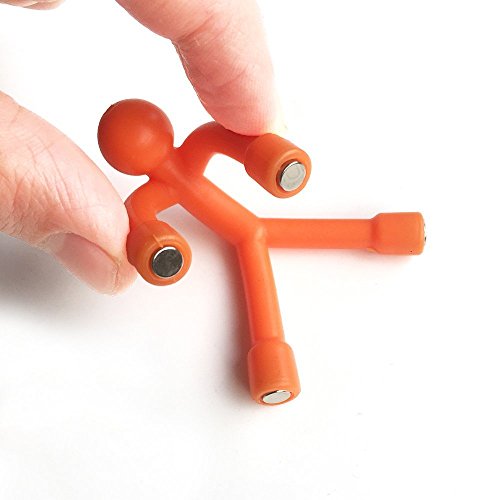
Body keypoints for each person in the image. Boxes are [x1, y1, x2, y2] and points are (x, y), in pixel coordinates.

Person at [0, 0, 281, 293]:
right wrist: (154, 245)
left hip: (252, 231)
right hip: (246, 237)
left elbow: (230, 142)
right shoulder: (156, 188)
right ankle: (166, 255)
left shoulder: (199, 144)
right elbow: (141, 222)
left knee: (257, 218)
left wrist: (269, 158)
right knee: (242, 232)